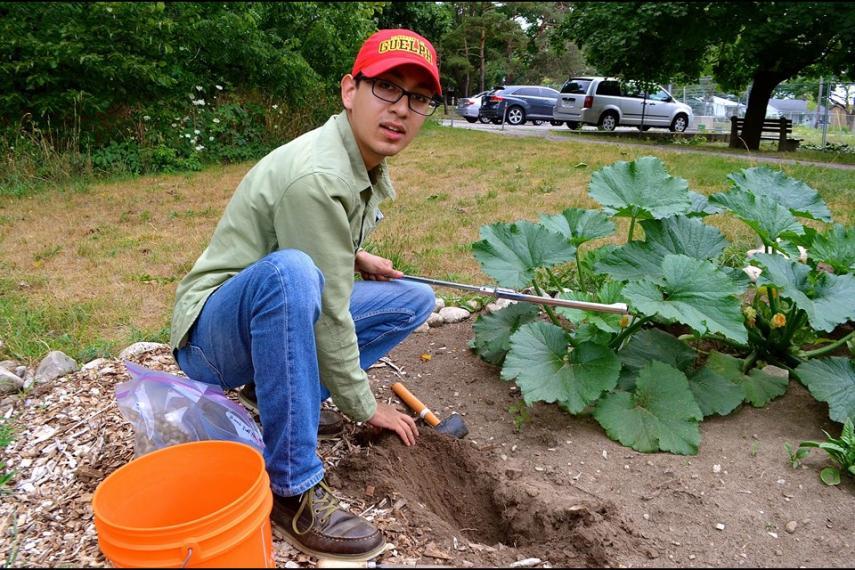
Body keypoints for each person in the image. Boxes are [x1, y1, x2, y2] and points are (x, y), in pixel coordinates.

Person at [169, 29, 441, 561]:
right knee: (293, 275)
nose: (401, 109)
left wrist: (356, 255)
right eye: (387, 87)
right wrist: (364, 406)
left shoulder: (355, 160)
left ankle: (273, 393)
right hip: (209, 338)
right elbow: (326, 310)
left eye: (418, 97)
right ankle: (291, 490)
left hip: (259, 315)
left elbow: (313, 254)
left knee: (413, 299)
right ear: (349, 90)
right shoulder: (318, 175)